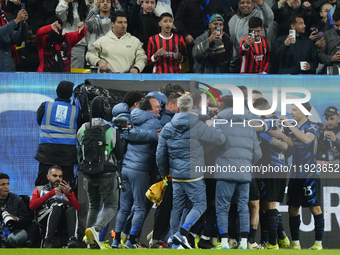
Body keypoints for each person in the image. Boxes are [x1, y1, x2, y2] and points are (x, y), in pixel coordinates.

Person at [156, 95, 226, 249]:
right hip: (194, 174)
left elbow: (160, 154)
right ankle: (181, 234)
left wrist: (163, 173)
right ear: (193, 107)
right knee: (200, 205)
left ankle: (172, 239)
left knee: (178, 207)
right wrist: (213, 125)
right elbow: (220, 139)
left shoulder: (168, 127)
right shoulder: (198, 126)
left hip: (176, 175)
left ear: (178, 108)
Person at [269, 103, 324, 250]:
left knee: (315, 207)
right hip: (294, 174)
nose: (291, 112)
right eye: (291, 109)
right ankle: (295, 243)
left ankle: (318, 243)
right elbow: (290, 144)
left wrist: (288, 124)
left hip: (309, 173)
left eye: (294, 110)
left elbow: (306, 140)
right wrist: (281, 134)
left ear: (304, 111)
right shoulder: (290, 129)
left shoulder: (313, 126)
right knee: (293, 207)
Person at [112, 96, 162, 249]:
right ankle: (131, 241)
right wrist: (155, 135)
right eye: (157, 106)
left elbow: (126, 134)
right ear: (148, 110)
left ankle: (116, 241)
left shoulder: (131, 118)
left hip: (126, 167)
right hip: (139, 170)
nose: (160, 108)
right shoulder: (155, 122)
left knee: (125, 207)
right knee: (140, 207)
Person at [212, 95, 262, 250]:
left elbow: (213, 144)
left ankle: (225, 243)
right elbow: (258, 154)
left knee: (222, 207)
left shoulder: (219, 124)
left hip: (225, 172)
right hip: (244, 174)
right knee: (243, 208)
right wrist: (246, 165)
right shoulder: (249, 127)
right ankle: (243, 243)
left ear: (224, 108)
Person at [77, 97, 124, 250]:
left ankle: (88, 241)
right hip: (107, 174)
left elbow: (79, 150)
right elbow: (119, 153)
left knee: (93, 206)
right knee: (111, 205)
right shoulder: (111, 129)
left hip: (88, 175)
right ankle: (96, 230)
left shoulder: (83, 128)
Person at [253, 98, 291, 250]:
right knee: (265, 206)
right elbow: (286, 145)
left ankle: (273, 243)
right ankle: (268, 241)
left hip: (271, 168)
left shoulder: (267, 123)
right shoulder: (280, 122)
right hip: (281, 168)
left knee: (268, 206)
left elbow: (258, 128)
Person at [35, 81, 81, 187]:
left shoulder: (45, 106)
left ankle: (40, 203)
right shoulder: (76, 110)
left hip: (47, 152)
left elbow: (39, 122)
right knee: (66, 185)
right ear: (70, 94)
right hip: (67, 155)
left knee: (42, 185)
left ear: (57, 92)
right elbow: (79, 129)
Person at [29, 166, 80, 248]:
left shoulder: (67, 190)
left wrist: (69, 194)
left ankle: (72, 239)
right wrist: (50, 194)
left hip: (62, 219)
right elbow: (32, 206)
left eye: (60, 176)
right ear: (48, 177)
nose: (58, 179)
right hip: (44, 219)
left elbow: (77, 209)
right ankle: (48, 240)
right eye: (54, 176)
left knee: (71, 209)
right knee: (56, 207)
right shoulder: (39, 189)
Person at [174, 0, 223, 72]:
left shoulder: (216, 2)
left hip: (214, 41)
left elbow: (223, 19)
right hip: (193, 42)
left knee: (215, 67)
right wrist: (186, 34)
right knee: (195, 68)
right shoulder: (186, 2)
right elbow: (178, 21)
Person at [228, 0, 274, 73]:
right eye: (242, 3)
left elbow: (270, 17)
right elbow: (231, 41)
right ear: (238, 4)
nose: (245, 5)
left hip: (256, 62)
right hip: (236, 61)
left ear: (253, 4)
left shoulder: (260, 15)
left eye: (248, 2)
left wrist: (261, 4)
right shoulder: (233, 19)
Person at [55, 0, 89, 69]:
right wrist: (65, 1)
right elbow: (59, 13)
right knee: (63, 70)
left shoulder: (85, 6)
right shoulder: (64, 4)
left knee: (76, 73)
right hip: (66, 44)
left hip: (79, 45)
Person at [0, 173, 30, 248]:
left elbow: (27, 221)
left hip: (14, 232)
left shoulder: (17, 199)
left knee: (17, 237)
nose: (6, 187)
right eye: (2, 184)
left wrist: (16, 219)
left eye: (7, 184)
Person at [0, 1, 28, 71]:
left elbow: (15, 37)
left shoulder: (3, 17)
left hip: (7, 68)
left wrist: (23, 24)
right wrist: (16, 20)